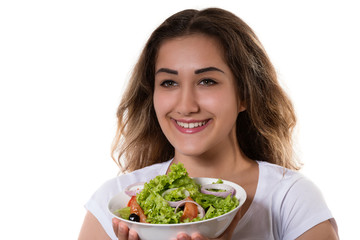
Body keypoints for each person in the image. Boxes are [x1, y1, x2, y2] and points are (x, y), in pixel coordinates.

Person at [78, 8, 338, 240]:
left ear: (245, 94)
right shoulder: (112, 205)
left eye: (207, 81)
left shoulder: (291, 199)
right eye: (169, 82)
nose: (186, 106)